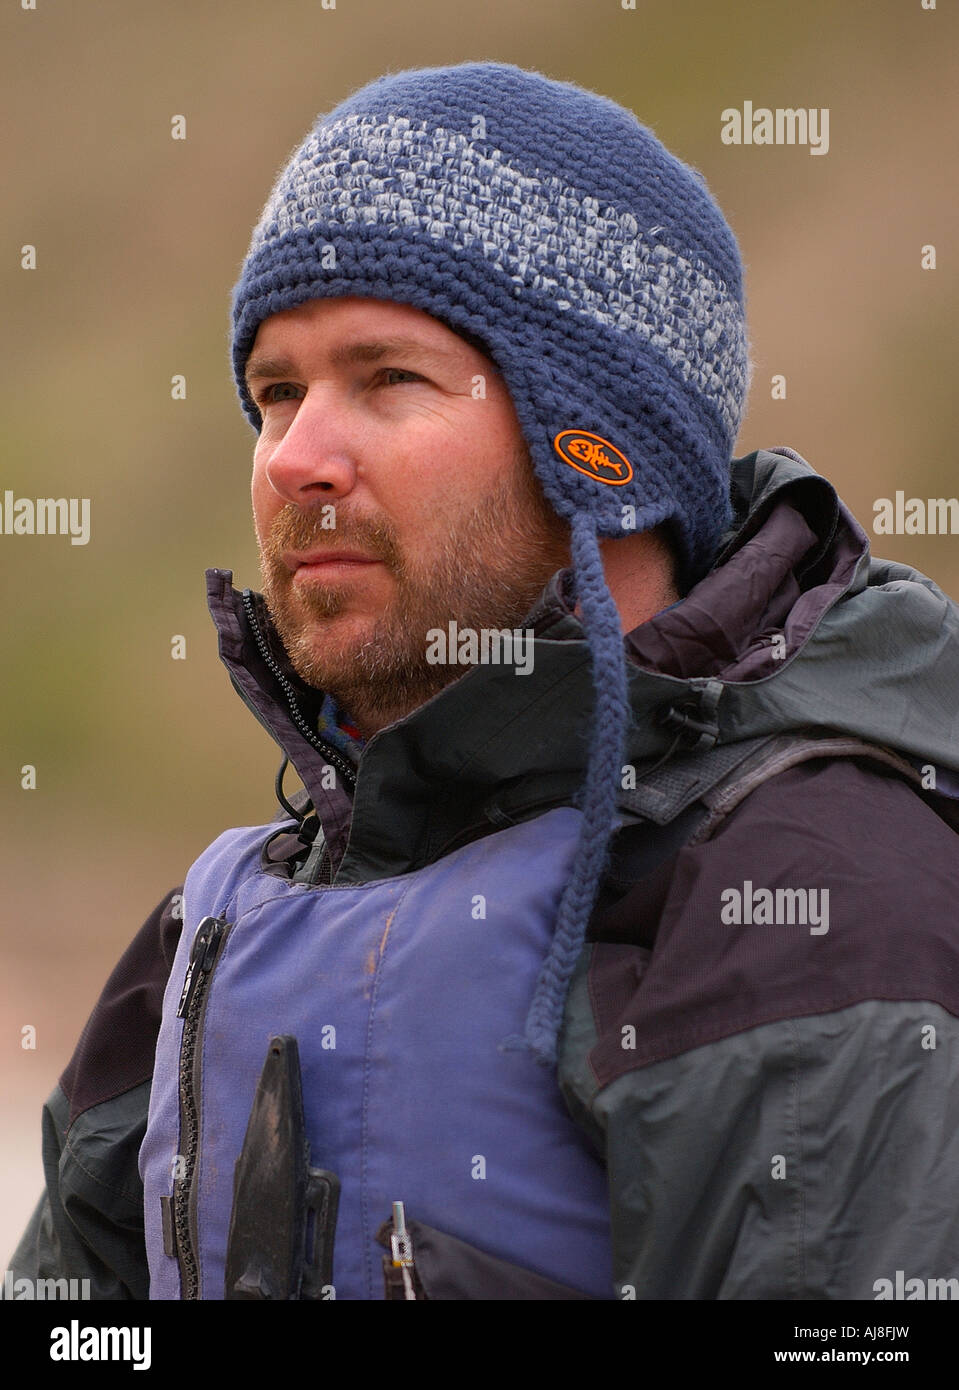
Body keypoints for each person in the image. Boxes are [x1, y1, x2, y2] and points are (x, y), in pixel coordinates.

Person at [8, 60, 959, 1302]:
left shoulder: (808, 900)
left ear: (597, 454)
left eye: (385, 378)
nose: (294, 455)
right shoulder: (209, 933)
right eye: (274, 393)